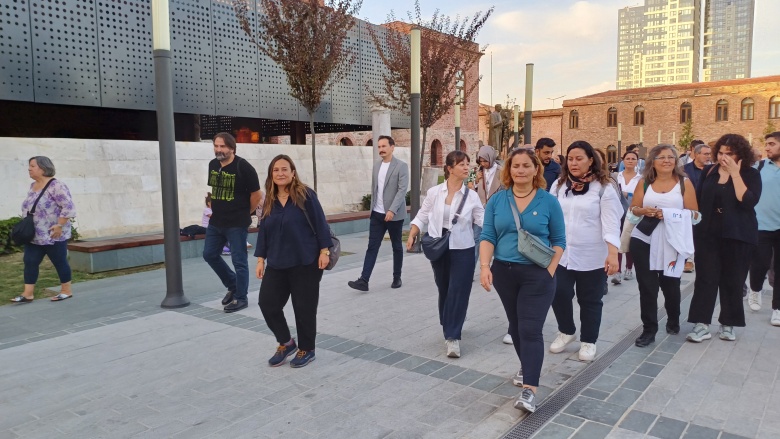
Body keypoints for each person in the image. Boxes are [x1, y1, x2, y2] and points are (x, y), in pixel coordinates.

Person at [479, 148, 565, 413]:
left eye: (526, 165)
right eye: (516, 166)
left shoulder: (548, 201)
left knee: (530, 329)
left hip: (537, 274)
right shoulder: (497, 200)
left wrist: (549, 270)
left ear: (536, 169)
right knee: (515, 327)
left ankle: (530, 389)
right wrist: (484, 266)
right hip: (504, 273)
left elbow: (559, 241)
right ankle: (527, 365)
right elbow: (488, 235)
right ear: (509, 169)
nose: (520, 170)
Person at [255, 155, 333, 368]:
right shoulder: (269, 199)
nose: (280, 173)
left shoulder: (305, 194)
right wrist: (260, 259)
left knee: (304, 307)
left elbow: (320, 222)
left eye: (284, 169)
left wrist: (325, 251)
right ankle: (287, 342)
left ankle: (307, 348)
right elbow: (263, 232)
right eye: (275, 170)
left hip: (306, 262)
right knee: (267, 303)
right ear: (271, 175)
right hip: (277, 263)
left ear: (293, 172)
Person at [549, 141, 623, 361]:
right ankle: (567, 331)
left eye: (579, 158)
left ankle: (589, 341)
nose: (574, 163)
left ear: (591, 160)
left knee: (590, 300)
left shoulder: (604, 188)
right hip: (561, 254)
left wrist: (612, 253)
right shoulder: (559, 186)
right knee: (558, 293)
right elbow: (550, 217)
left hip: (592, 255)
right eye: (570, 158)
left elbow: (611, 223)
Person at [407, 151, 484, 359]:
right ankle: (449, 321)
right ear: (450, 168)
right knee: (444, 287)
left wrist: (496, 237)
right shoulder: (435, 192)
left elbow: (482, 220)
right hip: (438, 244)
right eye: (461, 164)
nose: (466, 168)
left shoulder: (472, 196)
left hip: (463, 247)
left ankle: (452, 336)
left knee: (459, 290)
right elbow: (423, 214)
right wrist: (413, 232)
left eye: (468, 164)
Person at [687, 134, 762, 343]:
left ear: (740, 154)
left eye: (729, 153)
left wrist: (735, 174)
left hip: (738, 234)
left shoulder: (751, 174)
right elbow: (700, 201)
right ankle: (701, 324)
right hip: (708, 233)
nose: (723, 157)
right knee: (705, 279)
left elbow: (747, 202)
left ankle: (728, 323)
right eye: (720, 153)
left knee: (733, 280)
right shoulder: (709, 172)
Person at [629, 145, 698, 347]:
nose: (667, 160)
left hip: (672, 241)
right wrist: (644, 211)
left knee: (671, 285)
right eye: (661, 157)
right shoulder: (644, 182)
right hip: (644, 239)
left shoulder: (684, 183)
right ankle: (649, 330)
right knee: (647, 288)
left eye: (671, 157)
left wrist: (669, 214)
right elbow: (633, 210)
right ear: (653, 161)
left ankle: (673, 318)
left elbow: (695, 216)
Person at [203, 133, 262, 313]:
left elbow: (257, 195)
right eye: (216, 146)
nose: (219, 150)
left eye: (222, 147)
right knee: (209, 254)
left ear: (232, 148)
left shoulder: (243, 167)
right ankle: (233, 284)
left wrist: (245, 213)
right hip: (216, 222)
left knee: (239, 261)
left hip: (236, 224)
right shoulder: (213, 165)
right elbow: (214, 189)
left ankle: (241, 298)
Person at [11, 156, 77, 304]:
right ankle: (28, 294)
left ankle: (66, 291)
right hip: (34, 234)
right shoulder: (32, 186)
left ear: (42, 168)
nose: (29, 168)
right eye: (29, 166)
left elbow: (68, 207)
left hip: (53, 233)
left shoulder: (56, 185)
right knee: (30, 261)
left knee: (59, 261)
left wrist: (59, 225)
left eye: (32, 166)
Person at [348, 135, 409, 292]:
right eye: (379, 147)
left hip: (394, 215)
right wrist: (373, 209)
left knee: (396, 246)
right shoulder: (376, 166)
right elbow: (375, 189)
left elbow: (402, 190)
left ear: (392, 147)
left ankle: (397, 277)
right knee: (372, 247)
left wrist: (391, 210)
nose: (381, 149)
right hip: (377, 214)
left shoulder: (401, 166)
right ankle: (364, 280)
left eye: (384, 146)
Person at [747, 132, 780, 325]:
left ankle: (777, 308)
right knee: (759, 264)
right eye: (766, 144)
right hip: (761, 226)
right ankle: (755, 289)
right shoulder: (759, 167)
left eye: (772, 144)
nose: (767, 148)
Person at [682, 142, 712, 273]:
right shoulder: (684, 169)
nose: (708, 157)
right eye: (706, 154)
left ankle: (704, 259)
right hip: (689, 208)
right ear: (696, 154)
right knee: (689, 233)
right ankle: (689, 259)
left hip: (709, 208)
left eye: (710, 154)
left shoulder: (714, 169)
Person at [613, 150, 642, 285]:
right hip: (616, 212)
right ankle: (617, 271)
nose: (630, 161)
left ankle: (629, 268)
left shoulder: (641, 178)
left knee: (628, 239)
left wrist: (627, 195)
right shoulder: (615, 176)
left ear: (637, 161)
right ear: (623, 160)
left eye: (633, 158)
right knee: (617, 239)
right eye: (628, 158)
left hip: (632, 213)